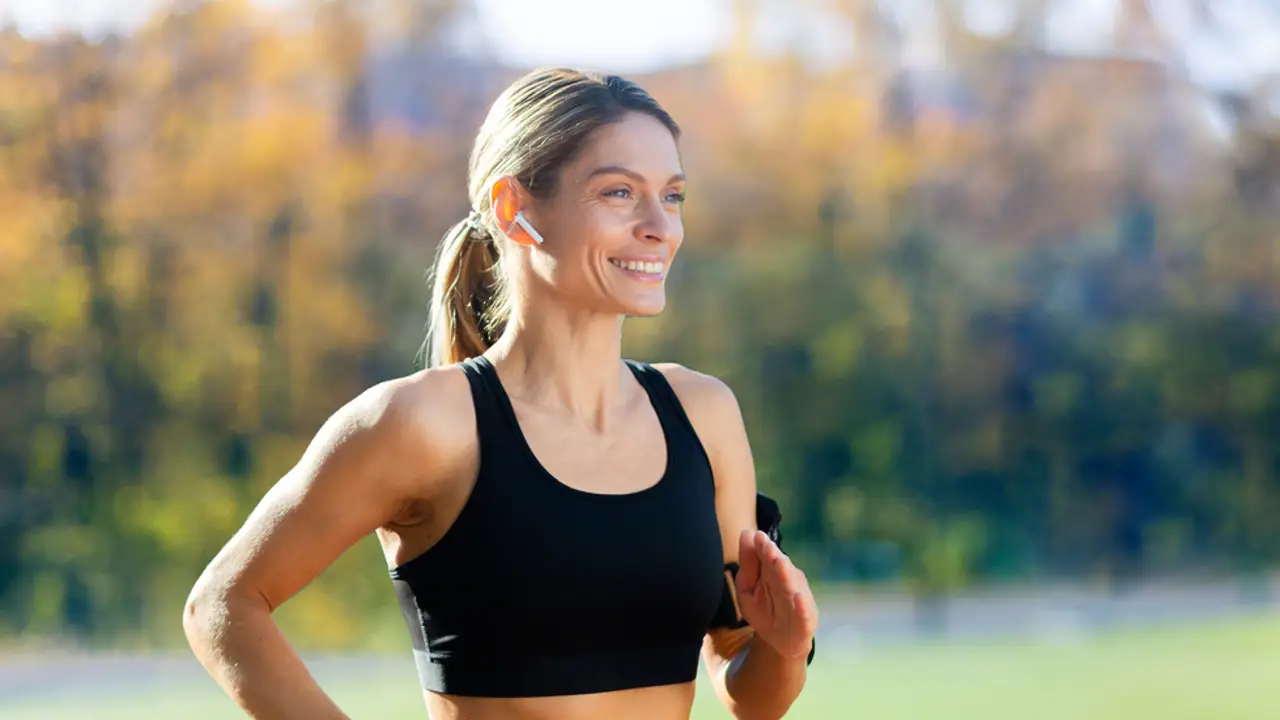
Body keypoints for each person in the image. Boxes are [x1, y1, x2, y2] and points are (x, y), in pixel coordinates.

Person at [182, 67, 818, 720]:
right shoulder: (423, 423)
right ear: (515, 210)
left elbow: (748, 690)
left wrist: (785, 648)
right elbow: (224, 604)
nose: (661, 227)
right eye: (621, 193)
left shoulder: (703, 414)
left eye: (674, 195)